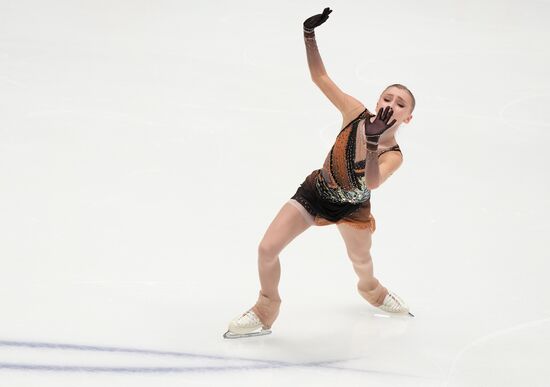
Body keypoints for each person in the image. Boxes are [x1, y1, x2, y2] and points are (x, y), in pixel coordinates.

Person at [223, 7, 416, 339]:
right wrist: (309, 36)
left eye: (401, 103)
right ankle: (266, 306)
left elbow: (372, 182)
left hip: (353, 208)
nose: (391, 104)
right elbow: (321, 79)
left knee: (362, 262)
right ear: (377, 99)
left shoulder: (393, 155)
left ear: (408, 118)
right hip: (317, 191)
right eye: (388, 97)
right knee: (267, 248)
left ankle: (371, 290)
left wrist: (372, 145)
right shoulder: (355, 112)